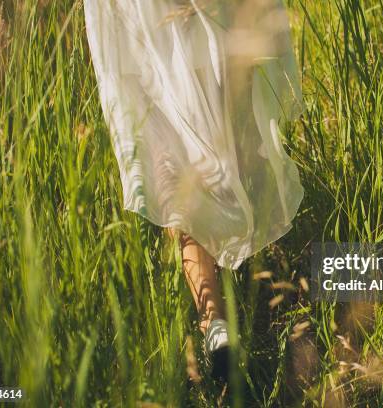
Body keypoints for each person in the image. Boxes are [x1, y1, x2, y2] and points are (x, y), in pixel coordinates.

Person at [84, 0, 304, 382]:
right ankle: (241, 261)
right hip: (201, 16)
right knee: (224, 132)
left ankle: (214, 319)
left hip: (138, 16)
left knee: (172, 157)